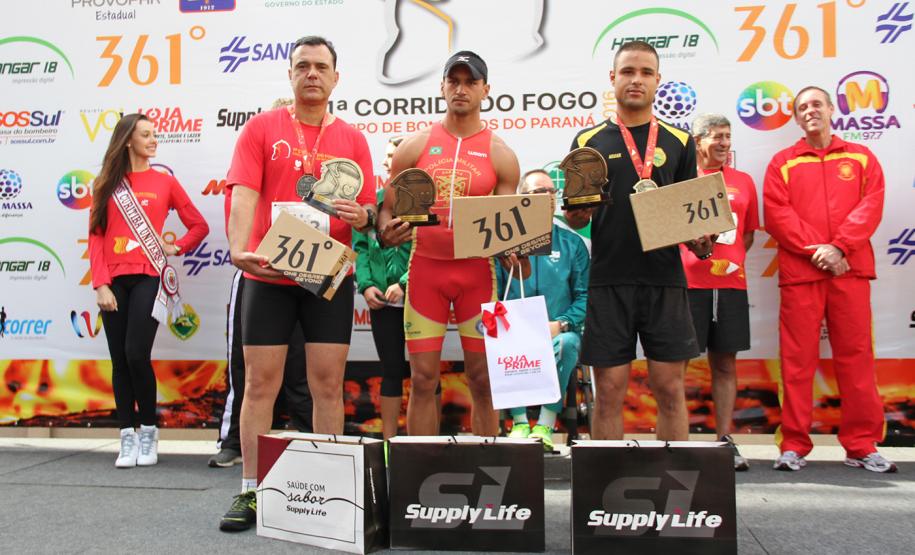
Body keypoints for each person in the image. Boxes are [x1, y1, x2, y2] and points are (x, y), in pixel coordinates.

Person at [219, 36, 377, 531]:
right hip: (270, 271)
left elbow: (370, 211)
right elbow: (243, 193)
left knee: (327, 385)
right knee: (259, 384)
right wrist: (238, 247)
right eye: (302, 66)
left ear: (335, 78)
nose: (311, 73)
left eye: (321, 67)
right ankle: (251, 490)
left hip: (329, 272)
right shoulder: (262, 128)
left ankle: (329, 487)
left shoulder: (352, 139)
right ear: (290, 75)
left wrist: (364, 213)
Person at [378, 51, 522, 437]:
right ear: (441, 87)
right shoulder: (414, 146)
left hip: (478, 273)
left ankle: (490, 471)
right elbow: (387, 212)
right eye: (453, 81)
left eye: (470, 82)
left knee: (482, 379)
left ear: (485, 90)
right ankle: (418, 473)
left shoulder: (501, 154)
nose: (461, 89)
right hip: (426, 270)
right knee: (423, 379)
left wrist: (513, 249)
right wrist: (386, 230)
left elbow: (511, 230)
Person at [571, 40, 709, 441]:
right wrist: (576, 211)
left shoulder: (680, 141)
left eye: (646, 73)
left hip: (664, 280)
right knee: (610, 393)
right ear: (612, 79)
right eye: (628, 71)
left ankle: (675, 487)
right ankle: (604, 489)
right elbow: (577, 216)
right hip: (608, 279)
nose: (636, 80)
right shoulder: (587, 142)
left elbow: (690, 214)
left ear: (658, 82)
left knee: (669, 390)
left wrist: (701, 241)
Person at [764, 86, 894, 473]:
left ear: (831, 109)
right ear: (796, 117)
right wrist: (818, 251)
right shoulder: (782, 162)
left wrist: (839, 247)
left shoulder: (861, 156)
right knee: (797, 362)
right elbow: (777, 214)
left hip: (849, 270)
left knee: (856, 359)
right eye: (802, 107)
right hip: (802, 275)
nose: (810, 111)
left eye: (816, 104)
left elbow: (871, 205)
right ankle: (793, 445)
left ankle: (861, 445)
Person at [88, 113, 209, 468]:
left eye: (155, 134)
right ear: (128, 140)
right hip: (113, 280)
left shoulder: (164, 182)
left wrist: (176, 246)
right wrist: (100, 284)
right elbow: (95, 237)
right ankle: (126, 435)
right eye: (146, 135)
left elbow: (198, 225)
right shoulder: (106, 184)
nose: (154, 140)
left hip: (148, 276)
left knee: (136, 352)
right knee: (119, 359)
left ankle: (149, 432)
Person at [209, 98, 313, 469]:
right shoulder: (254, 160)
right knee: (247, 367)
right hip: (260, 272)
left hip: (309, 272)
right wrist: (250, 249)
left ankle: (308, 433)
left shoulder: (315, 173)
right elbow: (238, 211)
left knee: (304, 362)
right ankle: (234, 441)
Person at [680, 114, 759, 470]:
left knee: (725, 363)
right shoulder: (682, 180)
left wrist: (728, 261)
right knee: (677, 364)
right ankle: (677, 440)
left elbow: (748, 235)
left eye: (728, 137)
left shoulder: (743, 181)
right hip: (688, 283)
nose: (725, 143)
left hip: (730, 283)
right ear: (698, 141)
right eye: (717, 137)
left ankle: (724, 438)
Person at [501, 169, 590, 452]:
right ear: (521, 198)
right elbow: (492, 292)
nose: (547, 198)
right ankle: (518, 423)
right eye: (539, 193)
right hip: (515, 331)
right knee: (502, 337)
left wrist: (562, 323)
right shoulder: (504, 240)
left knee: (567, 343)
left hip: (557, 330)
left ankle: (545, 424)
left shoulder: (572, 242)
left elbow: (585, 296)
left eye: (551, 192)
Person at [352, 135, 412, 439]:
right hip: (382, 304)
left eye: (398, 155)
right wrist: (365, 286)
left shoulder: (421, 201)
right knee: (390, 372)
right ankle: (389, 443)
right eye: (388, 156)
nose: (391, 161)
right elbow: (361, 248)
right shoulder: (372, 203)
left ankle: (423, 442)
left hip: (419, 302)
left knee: (426, 375)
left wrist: (404, 284)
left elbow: (429, 250)